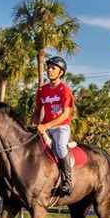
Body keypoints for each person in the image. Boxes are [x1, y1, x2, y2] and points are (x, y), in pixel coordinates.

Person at [35, 55, 75, 196]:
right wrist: (34, 124)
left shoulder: (65, 90)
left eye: (53, 68)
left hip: (61, 127)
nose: (49, 70)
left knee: (60, 146)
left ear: (61, 72)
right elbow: (38, 110)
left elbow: (65, 115)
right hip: (45, 128)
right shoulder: (42, 90)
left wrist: (46, 126)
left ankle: (68, 183)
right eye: (48, 67)